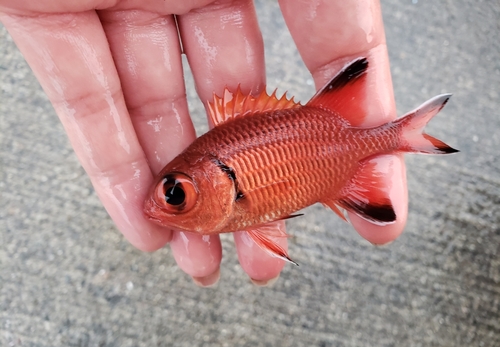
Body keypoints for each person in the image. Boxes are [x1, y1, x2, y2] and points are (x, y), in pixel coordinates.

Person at [0, 0, 407, 287]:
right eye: (174, 194)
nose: (161, 203)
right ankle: (400, 136)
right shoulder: (227, 193)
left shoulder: (233, 189)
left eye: (175, 193)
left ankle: (401, 136)